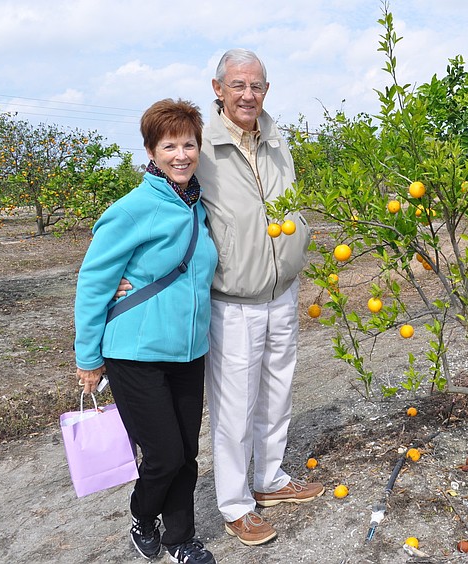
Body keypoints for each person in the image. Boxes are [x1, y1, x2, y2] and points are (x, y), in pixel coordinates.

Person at [75, 99, 218, 564]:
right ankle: (142, 515)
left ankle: (181, 540)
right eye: (169, 145)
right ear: (151, 151)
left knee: (187, 455)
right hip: (135, 352)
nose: (181, 154)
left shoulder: (197, 207)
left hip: (189, 351)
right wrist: (88, 357)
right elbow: (94, 283)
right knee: (163, 455)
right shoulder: (132, 209)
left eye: (189, 144)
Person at [197, 48, 324, 545]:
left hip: (282, 292)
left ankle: (270, 480)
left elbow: (291, 201)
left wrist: (301, 241)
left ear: (266, 91)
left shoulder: (276, 140)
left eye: (257, 86)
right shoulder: (201, 146)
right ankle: (234, 502)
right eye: (238, 86)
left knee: (277, 390)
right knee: (234, 405)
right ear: (218, 88)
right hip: (233, 299)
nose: (248, 95)